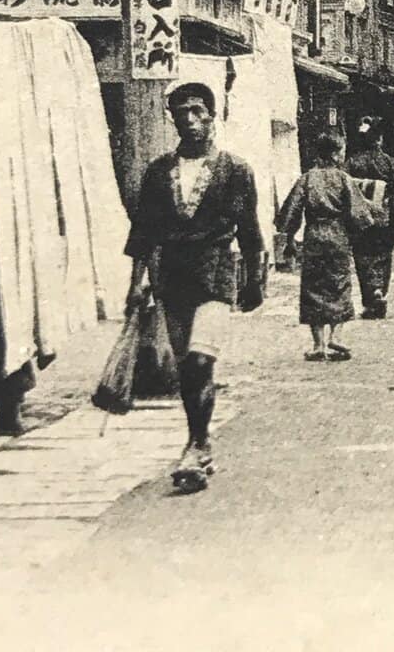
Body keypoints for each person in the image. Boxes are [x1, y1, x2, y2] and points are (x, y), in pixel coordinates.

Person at [124, 82, 264, 494]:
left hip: (216, 273)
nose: (190, 120)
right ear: (172, 118)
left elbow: (250, 230)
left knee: (202, 361)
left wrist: (254, 279)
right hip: (173, 276)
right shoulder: (157, 172)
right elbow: (144, 232)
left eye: (197, 111)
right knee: (188, 366)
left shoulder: (235, 170)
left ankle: (193, 446)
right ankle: (200, 440)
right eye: (181, 112)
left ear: (212, 115)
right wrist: (137, 284)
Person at [276, 131, 362, 362]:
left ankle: (318, 345)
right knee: (339, 284)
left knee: (313, 288)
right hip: (337, 235)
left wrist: (290, 238)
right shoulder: (344, 179)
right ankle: (337, 337)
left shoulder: (307, 178)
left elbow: (291, 211)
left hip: (314, 235)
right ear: (334, 154)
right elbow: (357, 213)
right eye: (341, 151)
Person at [347, 120, 394, 320]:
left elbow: (346, 188)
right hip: (383, 215)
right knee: (383, 256)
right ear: (379, 140)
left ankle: (370, 297)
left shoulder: (352, 161)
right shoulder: (388, 161)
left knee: (363, 258)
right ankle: (380, 289)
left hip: (360, 217)